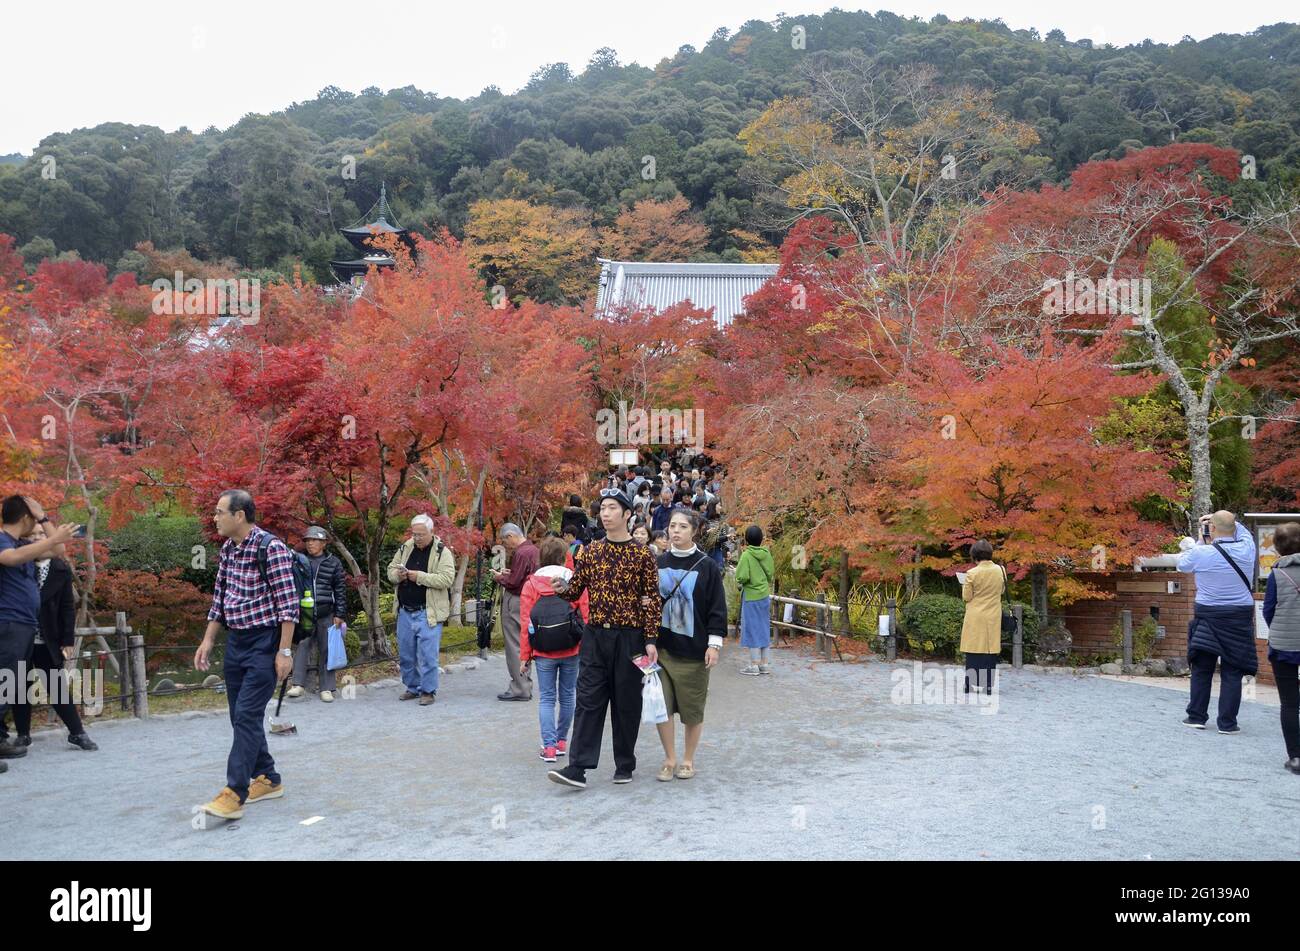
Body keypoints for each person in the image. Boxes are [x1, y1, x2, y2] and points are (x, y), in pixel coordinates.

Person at [546, 488, 661, 789]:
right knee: (588, 701)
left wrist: (651, 638)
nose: (605, 513)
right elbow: (576, 590)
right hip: (596, 636)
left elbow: (652, 599)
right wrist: (561, 587)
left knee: (627, 703)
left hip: (632, 639)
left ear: (627, 514)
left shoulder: (643, 555)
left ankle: (625, 762)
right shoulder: (591, 551)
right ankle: (577, 768)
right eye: (603, 508)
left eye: (612, 508)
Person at [194, 490, 298, 821]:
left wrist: (284, 651)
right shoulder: (228, 549)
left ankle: (234, 792)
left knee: (246, 716)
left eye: (220, 512)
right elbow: (220, 599)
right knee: (239, 716)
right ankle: (268, 778)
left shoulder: (272, 548)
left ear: (239, 515)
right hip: (236, 642)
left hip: (265, 643)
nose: (215, 517)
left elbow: (288, 605)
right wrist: (208, 640)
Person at [0, 496, 80, 771]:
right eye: (33, 519)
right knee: (6, 684)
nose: (35, 525)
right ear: (24, 519)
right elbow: (9, 559)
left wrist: (45, 519)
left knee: (9, 685)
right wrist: (48, 536)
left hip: (23, 626)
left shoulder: (21, 543)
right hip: (8, 624)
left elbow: (57, 549)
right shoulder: (5, 542)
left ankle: (1, 740)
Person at [652, 507, 727, 781]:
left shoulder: (706, 566)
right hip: (662, 648)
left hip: (694, 651)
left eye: (683, 526)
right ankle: (670, 758)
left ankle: (687, 759)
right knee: (662, 706)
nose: (675, 531)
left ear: (695, 531)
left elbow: (717, 609)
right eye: (672, 526)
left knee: (692, 710)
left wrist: (714, 645)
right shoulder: (658, 563)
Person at [10, 521, 97, 751]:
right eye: (32, 535)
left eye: (42, 533)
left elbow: (67, 607)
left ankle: (77, 732)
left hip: (47, 637)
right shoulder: (19, 565)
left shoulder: (60, 568)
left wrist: (67, 640)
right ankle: (22, 734)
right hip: (19, 636)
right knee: (19, 685)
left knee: (56, 686)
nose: (38, 538)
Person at [1176, 511, 1258, 733]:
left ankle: (1196, 716)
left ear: (1212, 528)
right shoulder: (1247, 549)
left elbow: (1182, 565)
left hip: (1207, 615)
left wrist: (1202, 539)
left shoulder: (1202, 553)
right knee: (1233, 670)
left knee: (1202, 667)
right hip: (1239, 615)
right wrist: (1221, 520)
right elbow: (1242, 531)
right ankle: (1228, 723)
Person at [520, 537, 589, 762]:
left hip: (543, 651)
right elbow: (586, 614)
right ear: (564, 556)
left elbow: (526, 623)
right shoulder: (574, 581)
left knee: (547, 698)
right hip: (571, 647)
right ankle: (561, 742)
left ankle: (548, 748)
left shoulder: (531, 584)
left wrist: (525, 656)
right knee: (568, 696)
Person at [287, 526, 349, 702]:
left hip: (326, 611)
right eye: (307, 540)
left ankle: (327, 687)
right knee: (302, 645)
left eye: (314, 540)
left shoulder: (333, 562)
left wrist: (340, 613)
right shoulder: (300, 561)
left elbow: (340, 590)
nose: (310, 543)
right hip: (304, 612)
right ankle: (297, 684)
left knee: (327, 648)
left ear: (323, 543)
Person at [1263, 522, 1300, 773]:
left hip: (1284, 644)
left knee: (1289, 703)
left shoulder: (1277, 573)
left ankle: (1296, 758)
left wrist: (1277, 627)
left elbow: (1268, 610)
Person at [493, 523, 538, 701]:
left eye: (505, 541)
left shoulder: (520, 552)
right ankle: (525, 684)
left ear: (511, 536)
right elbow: (523, 575)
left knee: (513, 645)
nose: (505, 545)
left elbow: (513, 582)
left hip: (515, 601)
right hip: (529, 599)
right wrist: (509, 573)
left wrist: (500, 577)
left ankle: (519, 687)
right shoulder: (534, 550)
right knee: (525, 644)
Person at [960, 540, 1004, 695]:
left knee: (973, 650)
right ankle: (988, 685)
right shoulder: (1000, 571)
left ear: (974, 555)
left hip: (976, 615)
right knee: (990, 650)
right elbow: (1002, 591)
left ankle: (970, 684)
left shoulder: (972, 573)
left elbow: (967, 596)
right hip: (993, 614)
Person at [735, 524, 775, 675]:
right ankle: (764, 664)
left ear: (746, 540)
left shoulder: (746, 555)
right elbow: (771, 574)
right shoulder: (766, 553)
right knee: (764, 627)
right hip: (764, 594)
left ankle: (753, 665)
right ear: (761, 539)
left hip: (751, 596)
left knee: (752, 629)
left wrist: (741, 582)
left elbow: (742, 577)